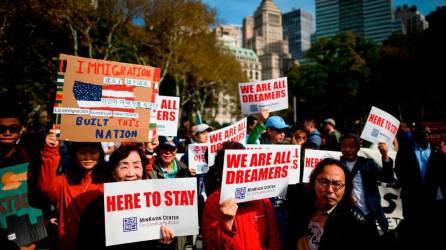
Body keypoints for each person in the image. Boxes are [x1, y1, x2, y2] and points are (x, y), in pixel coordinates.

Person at [76, 145, 176, 249]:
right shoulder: (96, 208)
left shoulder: (157, 205)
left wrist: (165, 243)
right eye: (124, 167)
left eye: (136, 166)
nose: (131, 174)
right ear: (113, 172)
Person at [201, 141, 281, 250]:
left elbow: (274, 239)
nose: (238, 170)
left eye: (242, 164)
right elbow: (211, 246)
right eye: (231, 166)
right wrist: (226, 222)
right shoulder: (213, 201)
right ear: (221, 172)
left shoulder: (262, 198)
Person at [285, 158, 375, 250]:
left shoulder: (355, 222)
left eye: (337, 184)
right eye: (324, 182)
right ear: (313, 181)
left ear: (345, 188)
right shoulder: (302, 204)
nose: (329, 190)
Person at [39, 129, 105, 250]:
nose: (88, 157)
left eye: (93, 152)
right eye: (82, 152)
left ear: (100, 154)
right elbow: (46, 185)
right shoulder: (63, 182)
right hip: (69, 244)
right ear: (74, 155)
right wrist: (50, 149)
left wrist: (149, 152)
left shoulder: (109, 182)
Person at [395, 124, 446, 248]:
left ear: (429, 136)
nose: (425, 135)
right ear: (415, 135)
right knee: (412, 226)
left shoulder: (437, 151)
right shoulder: (405, 150)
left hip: (431, 197)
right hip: (411, 196)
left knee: (430, 226)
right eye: (422, 133)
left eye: (427, 133)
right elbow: (399, 169)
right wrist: (407, 186)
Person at [339, 133, 394, 235]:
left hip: (369, 214)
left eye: (351, 146)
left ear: (358, 148)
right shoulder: (337, 166)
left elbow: (388, 178)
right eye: (344, 146)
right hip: (347, 215)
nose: (347, 149)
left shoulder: (368, 164)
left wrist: (385, 155)